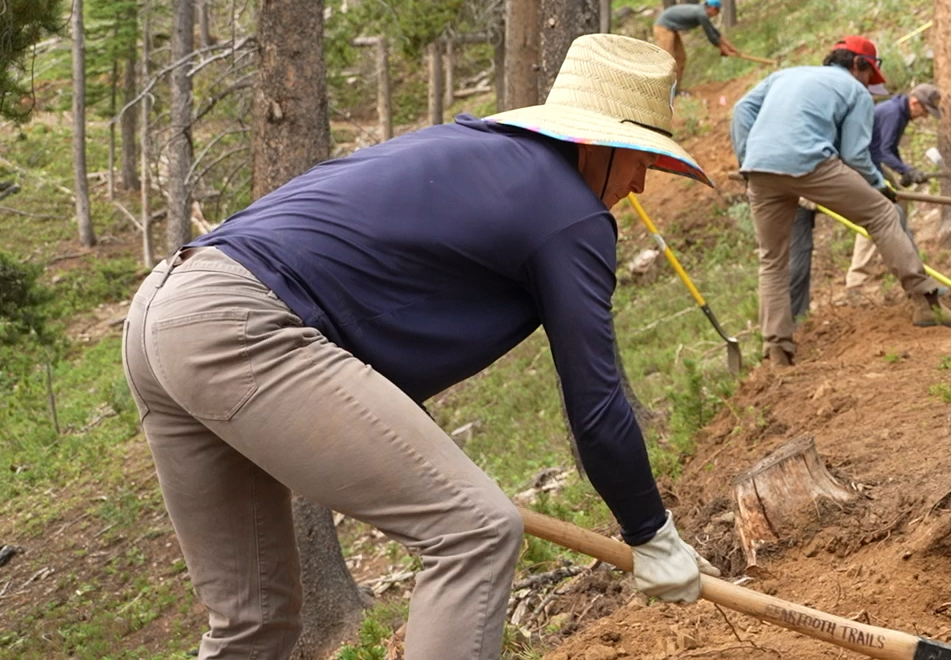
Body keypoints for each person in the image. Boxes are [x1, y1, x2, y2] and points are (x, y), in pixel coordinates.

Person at [121, 35, 719, 660]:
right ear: (596, 143)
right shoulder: (569, 212)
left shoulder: (463, 154)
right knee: (475, 534)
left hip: (164, 314)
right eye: (642, 159)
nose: (644, 184)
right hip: (240, 326)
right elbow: (597, 406)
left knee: (254, 621)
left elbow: (363, 324)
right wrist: (651, 534)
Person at [731, 35, 951, 366]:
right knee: (884, 215)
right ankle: (925, 304)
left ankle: (778, 351)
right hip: (811, 161)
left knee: (772, 261)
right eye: (869, 75)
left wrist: (747, 157)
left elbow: (742, 108)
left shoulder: (785, 75)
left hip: (760, 169)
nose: (869, 83)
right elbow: (855, 155)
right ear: (858, 65)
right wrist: (880, 186)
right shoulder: (855, 90)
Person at [846, 82, 941, 288]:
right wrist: (906, 170)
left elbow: (889, 149)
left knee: (900, 205)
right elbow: (883, 152)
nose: (924, 116)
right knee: (883, 211)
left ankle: (909, 264)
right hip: (861, 164)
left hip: (871, 162)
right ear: (914, 102)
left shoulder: (899, 112)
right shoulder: (893, 113)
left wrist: (904, 172)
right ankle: (858, 278)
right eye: (925, 110)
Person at [653, 0, 740, 84]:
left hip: (671, 28)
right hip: (663, 27)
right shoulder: (701, 14)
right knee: (667, 60)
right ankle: (659, 89)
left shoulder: (701, 11)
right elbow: (711, 35)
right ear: (713, 8)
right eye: (717, 11)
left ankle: (675, 90)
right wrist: (722, 48)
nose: (716, 14)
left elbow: (715, 31)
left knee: (681, 58)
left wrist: (731, 47)